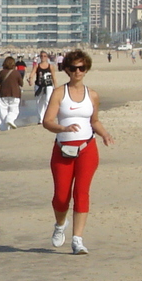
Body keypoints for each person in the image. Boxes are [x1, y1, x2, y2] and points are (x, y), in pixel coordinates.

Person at [41, 49, 113, 255]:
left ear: (86, 69)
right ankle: (59, 225)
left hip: (87, 149)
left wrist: (105, 134)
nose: (77, 72)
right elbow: (47, 121)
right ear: (67, 70)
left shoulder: (93, 95)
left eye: (81, 68)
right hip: (63, 150)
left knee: (81, 193)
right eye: (73, 68)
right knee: (61, 197)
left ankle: (77, 240)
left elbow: (95, 121)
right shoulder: (58, 93)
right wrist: (62, 128)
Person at [0, 56, 23, 129]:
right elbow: (21, 83)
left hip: (3, 94)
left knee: (2, 111)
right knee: (14, 110)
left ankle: (4, 127)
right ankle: (10, 119)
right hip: (15, 93)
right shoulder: (16, 73)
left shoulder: (2, 72)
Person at [32, 51, 57, 121]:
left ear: (47, 57)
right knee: (39, 101)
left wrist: (56, 87)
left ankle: (47, 117)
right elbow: (32, 73)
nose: (43, 57)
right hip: (38, 86)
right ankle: (41, 118)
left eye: (44, 56)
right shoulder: (37, 66)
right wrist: (30, 79)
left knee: (47, 100)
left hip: (48, 86)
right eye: (41, 56)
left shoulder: (50, 66)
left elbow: (54, 77)